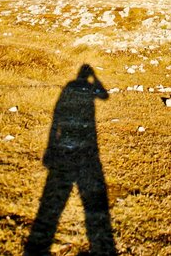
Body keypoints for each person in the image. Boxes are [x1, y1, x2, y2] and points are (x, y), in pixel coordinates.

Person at [25, 64, 116, 255]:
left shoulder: (69, 88)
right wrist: (96, 78)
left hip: (67, 146)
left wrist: (51, 146)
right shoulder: (84, 88)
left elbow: (56, 118)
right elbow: (104, 95)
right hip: (86, 148)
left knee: (52, 202)